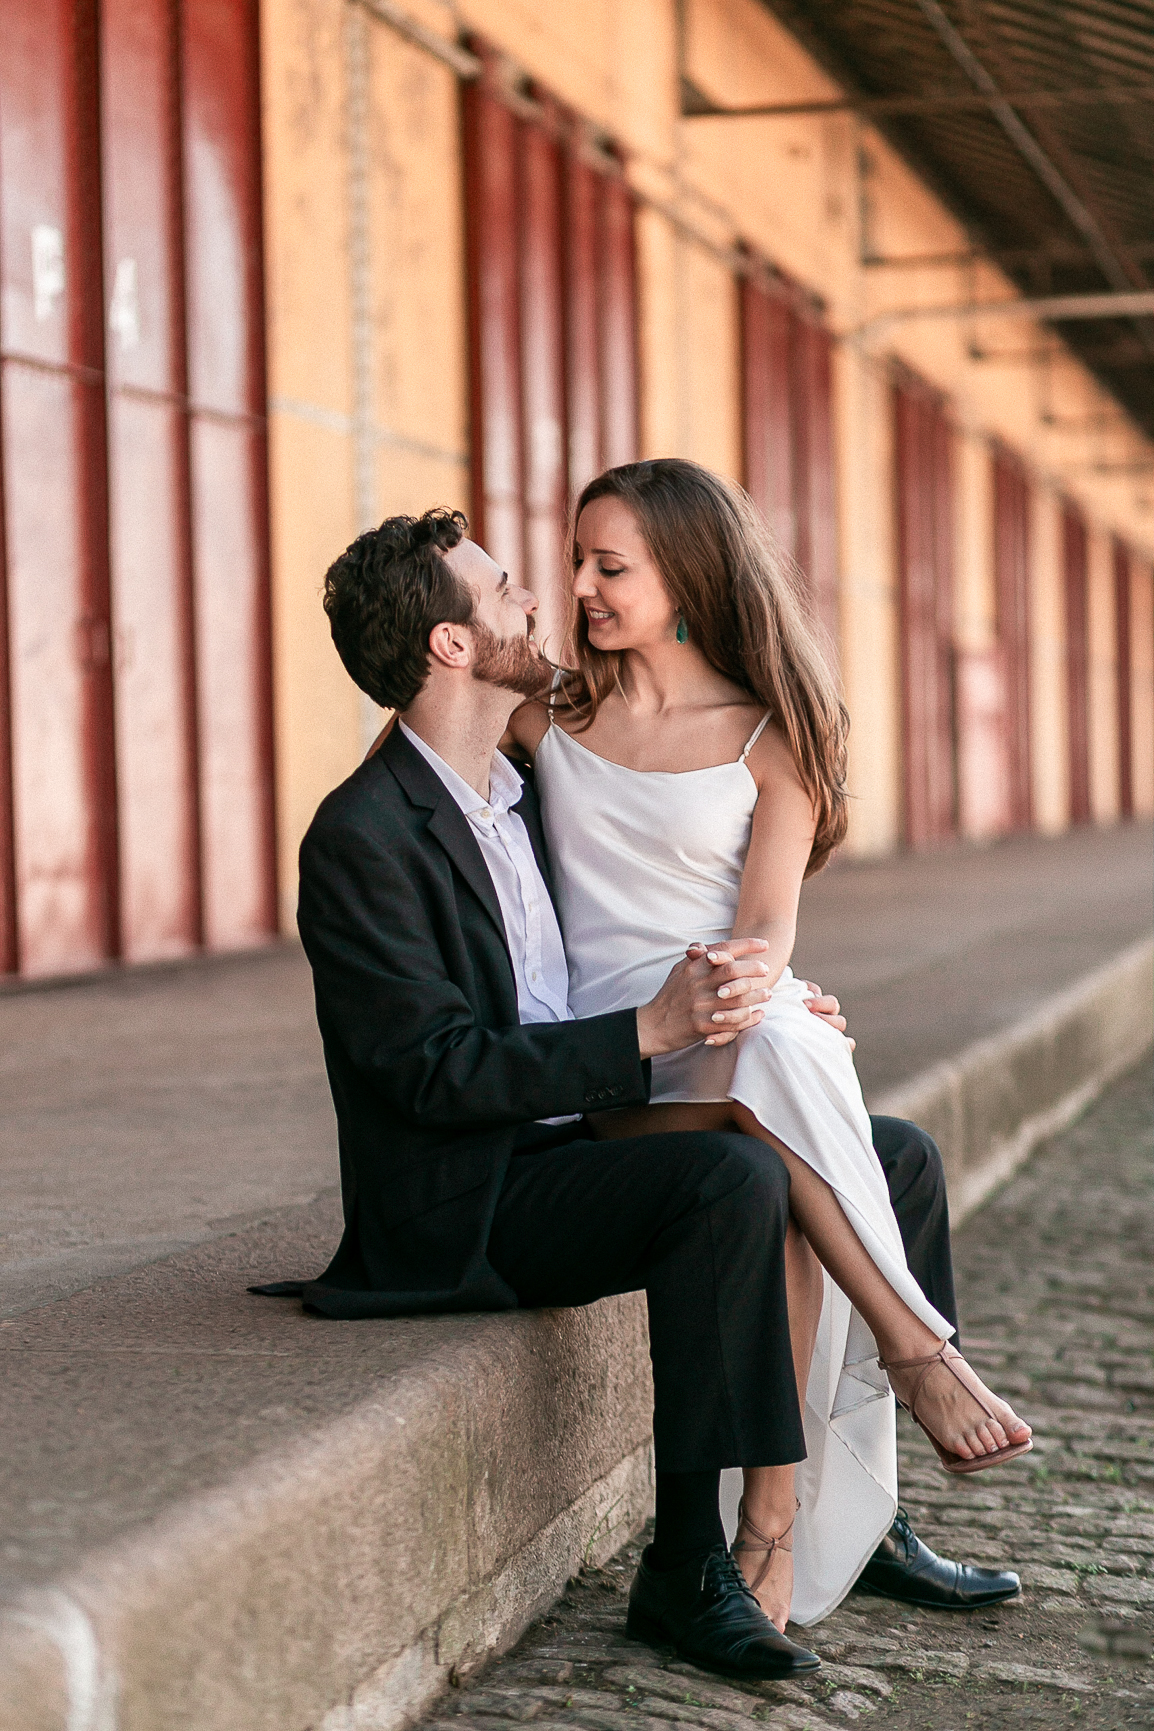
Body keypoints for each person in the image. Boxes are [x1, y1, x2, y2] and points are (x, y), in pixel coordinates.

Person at [270, 508, 821, 1682]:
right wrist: (646, 1034)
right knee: (727, 1177)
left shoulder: (519, 790)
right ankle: (687, 1564)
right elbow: (430, 1069)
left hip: (574, 1139)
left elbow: (652, 907)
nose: (539, 601)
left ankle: (865, 1514)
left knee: (879, 1145)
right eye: (506, 588)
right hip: (470, 1197)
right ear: (451, 648)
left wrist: (774, 1005)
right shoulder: (362, 838)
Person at [504, 459, 1033, 1628]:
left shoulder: (769, 736)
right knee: (795, 1074)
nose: (582, 586)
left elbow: (760, 936)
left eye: (611, 566)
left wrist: (765, 998)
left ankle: (777, 1527)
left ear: (685, 573)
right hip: (623, 1064)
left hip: (732, 1041)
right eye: (578, 560)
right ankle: (913, 1357)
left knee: (781, 1070)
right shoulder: (552, 712)